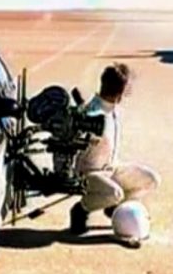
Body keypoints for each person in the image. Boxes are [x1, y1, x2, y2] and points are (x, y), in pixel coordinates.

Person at [69, 63, 161, 235]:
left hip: (112, 168)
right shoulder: (93, 114)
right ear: (120, 90)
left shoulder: (113, 109)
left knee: (151, 179)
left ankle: (115, 209)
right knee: (115, 193)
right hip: (90, 173)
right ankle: (81, 210)